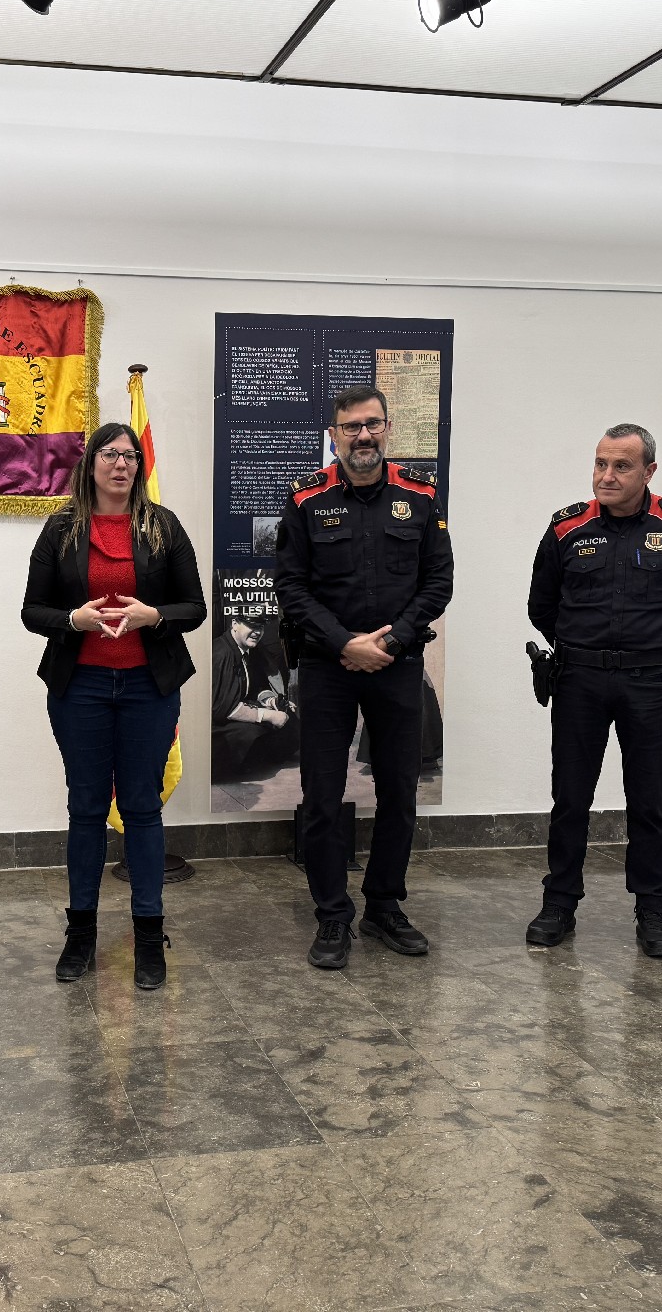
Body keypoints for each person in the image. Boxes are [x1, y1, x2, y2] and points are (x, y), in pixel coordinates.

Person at [20, 422, 207, 988]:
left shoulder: (162, 525)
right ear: (91, 464)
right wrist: (72, 620)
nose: (122, 464)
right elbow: (32, 611)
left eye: (130, 456)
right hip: (81, 688)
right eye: (110, 455)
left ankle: (149, 934)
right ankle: (80, 933)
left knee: (143, 808)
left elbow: (194, 606)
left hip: (148, 688)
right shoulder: (62, 528)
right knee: (85, 808)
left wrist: (155, 616)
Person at [275, 384, 453, 970]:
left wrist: (392, 641)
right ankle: (332, 913)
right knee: (323, 796)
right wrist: (344, 643)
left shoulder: (420, 496)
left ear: (388, 428)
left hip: (397, 664)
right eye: (351, 427)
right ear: (334, 435)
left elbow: (438, 582)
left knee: (399, 791)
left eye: (373, 424)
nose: (363, 436)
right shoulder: (305, 499)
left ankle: (383, 905)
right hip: (327, 667)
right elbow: (291, 586)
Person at [526, 424, 662, 957]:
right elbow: (541, 606)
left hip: (652, 682)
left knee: (649, 801)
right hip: (580, 681)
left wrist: (655, 644)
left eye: (621, 466)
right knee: (570, 798)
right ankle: (559, 903)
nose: (606, 476)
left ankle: (653, 910)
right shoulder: (567, 526)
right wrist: (586, 648)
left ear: (648, 472)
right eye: (600, 463)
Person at [210, 611, 299, 782]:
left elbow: (256, 686)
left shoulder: (248, 648)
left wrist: (272, 701)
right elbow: (222, 708)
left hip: (237, 711)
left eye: (261, 627)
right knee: (252, 734)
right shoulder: (221, 653)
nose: (257, 632)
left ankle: (258, 758)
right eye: (251, 625)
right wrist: (268, 715)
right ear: (234, 624)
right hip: (216, 724)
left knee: (289, 717)